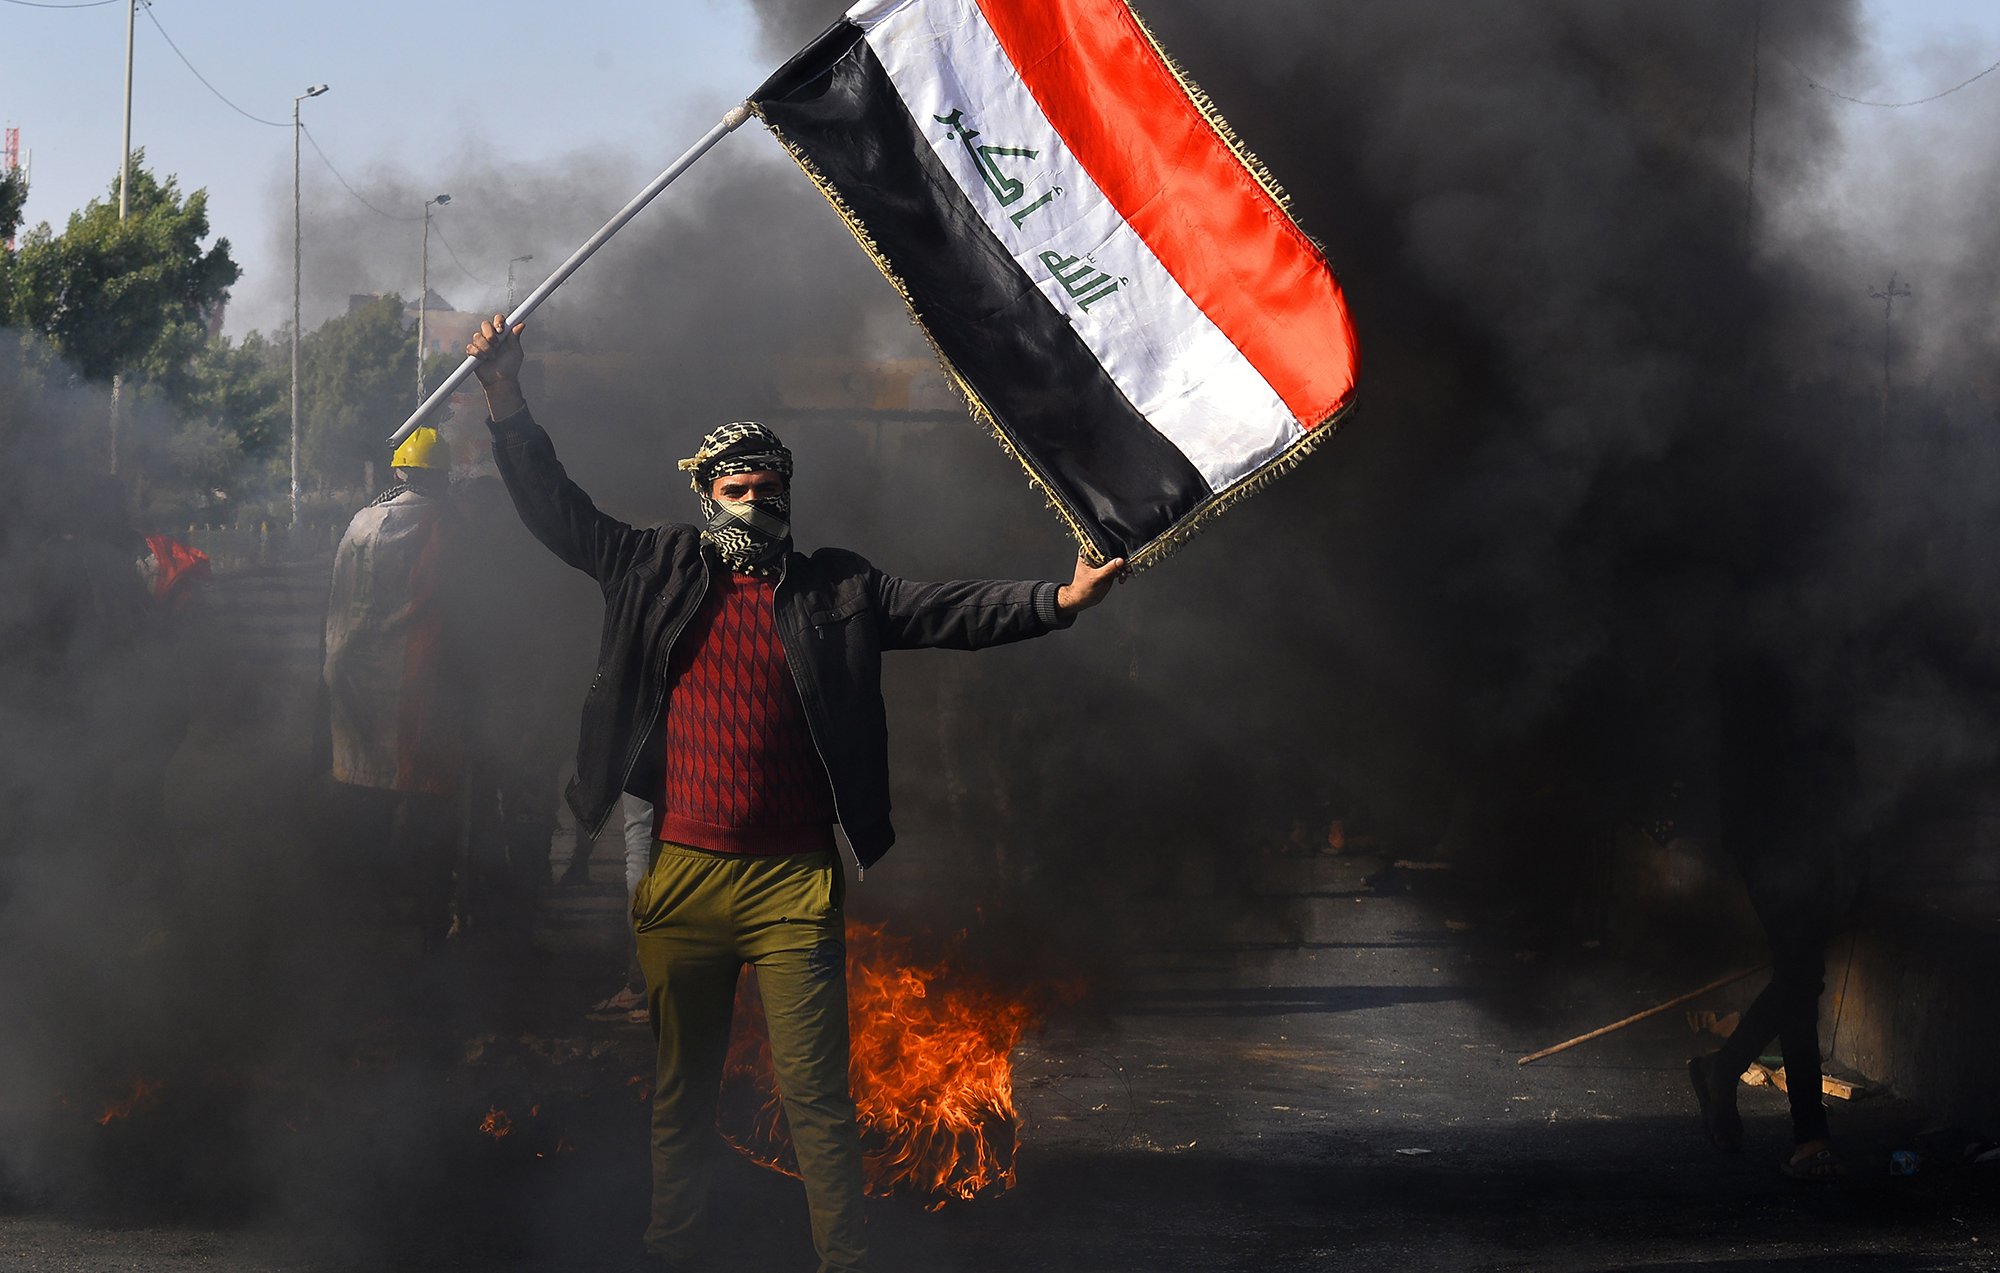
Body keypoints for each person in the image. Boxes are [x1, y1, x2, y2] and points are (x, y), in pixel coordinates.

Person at [464, 313, 1121, 1272]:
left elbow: (946, 610)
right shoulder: (647, 565)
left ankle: (844, 1259)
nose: (758, 503)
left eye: (773, 489)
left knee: (818, 1094)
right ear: (704, 493)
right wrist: (503, 396)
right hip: (681, 877)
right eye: (739, 487)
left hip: (793, 888)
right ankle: (671, 1249)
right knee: (681, 1086)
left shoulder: (836, 590)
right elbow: (554, 506)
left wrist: (1055, 603)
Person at [322, 426, 468, 951]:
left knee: (364, 799)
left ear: (399, 472)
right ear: (440, 475)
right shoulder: (446, 526)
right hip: (418, 688)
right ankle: (430, 920)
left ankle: (357, 917)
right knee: (427, 805)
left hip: (353, 681)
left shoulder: (359, 524)